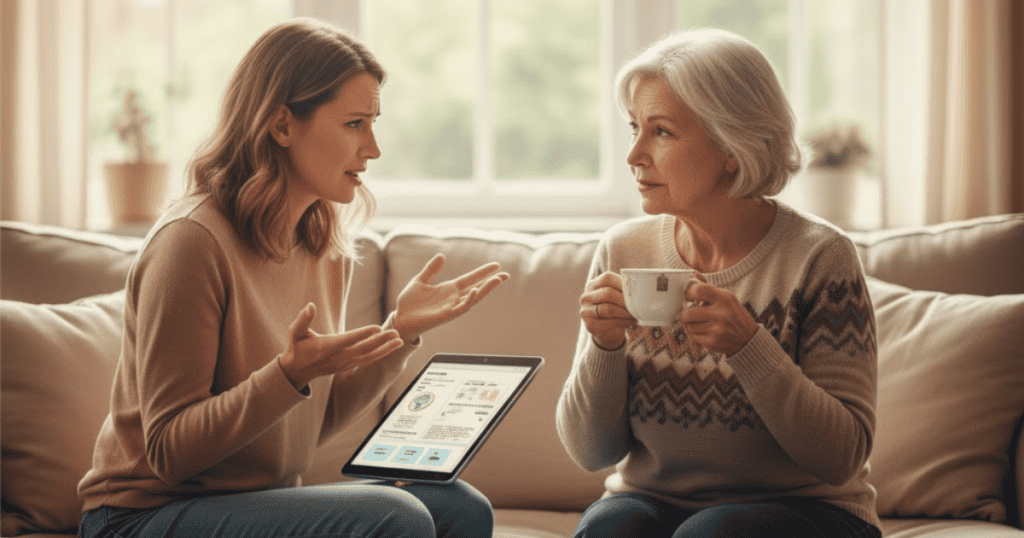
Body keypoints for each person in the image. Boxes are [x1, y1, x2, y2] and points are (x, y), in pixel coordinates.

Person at [78, 18, 508, 538]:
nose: (373, 149)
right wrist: (286, 375)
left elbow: (303, 434)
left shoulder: (323, 245)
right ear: (282, 126)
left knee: (460, 506)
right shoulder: (190, 243)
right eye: (355, 124)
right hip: (140, 515)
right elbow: (169, 451)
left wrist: (400, 333)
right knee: (401, 517)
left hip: (257, 500)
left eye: (374, 123)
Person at [555, 28, 881, 538]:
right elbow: (590, 453)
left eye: (660, 132)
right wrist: (604, 345)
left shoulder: (820, 257)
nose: (634, 154)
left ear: (732, 145)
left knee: (713, 533)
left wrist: (750, 346)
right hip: (655, 502)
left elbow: (841, 457)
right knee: (610, 529)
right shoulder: (623, 252)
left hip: (813, 512)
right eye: (634, 128)